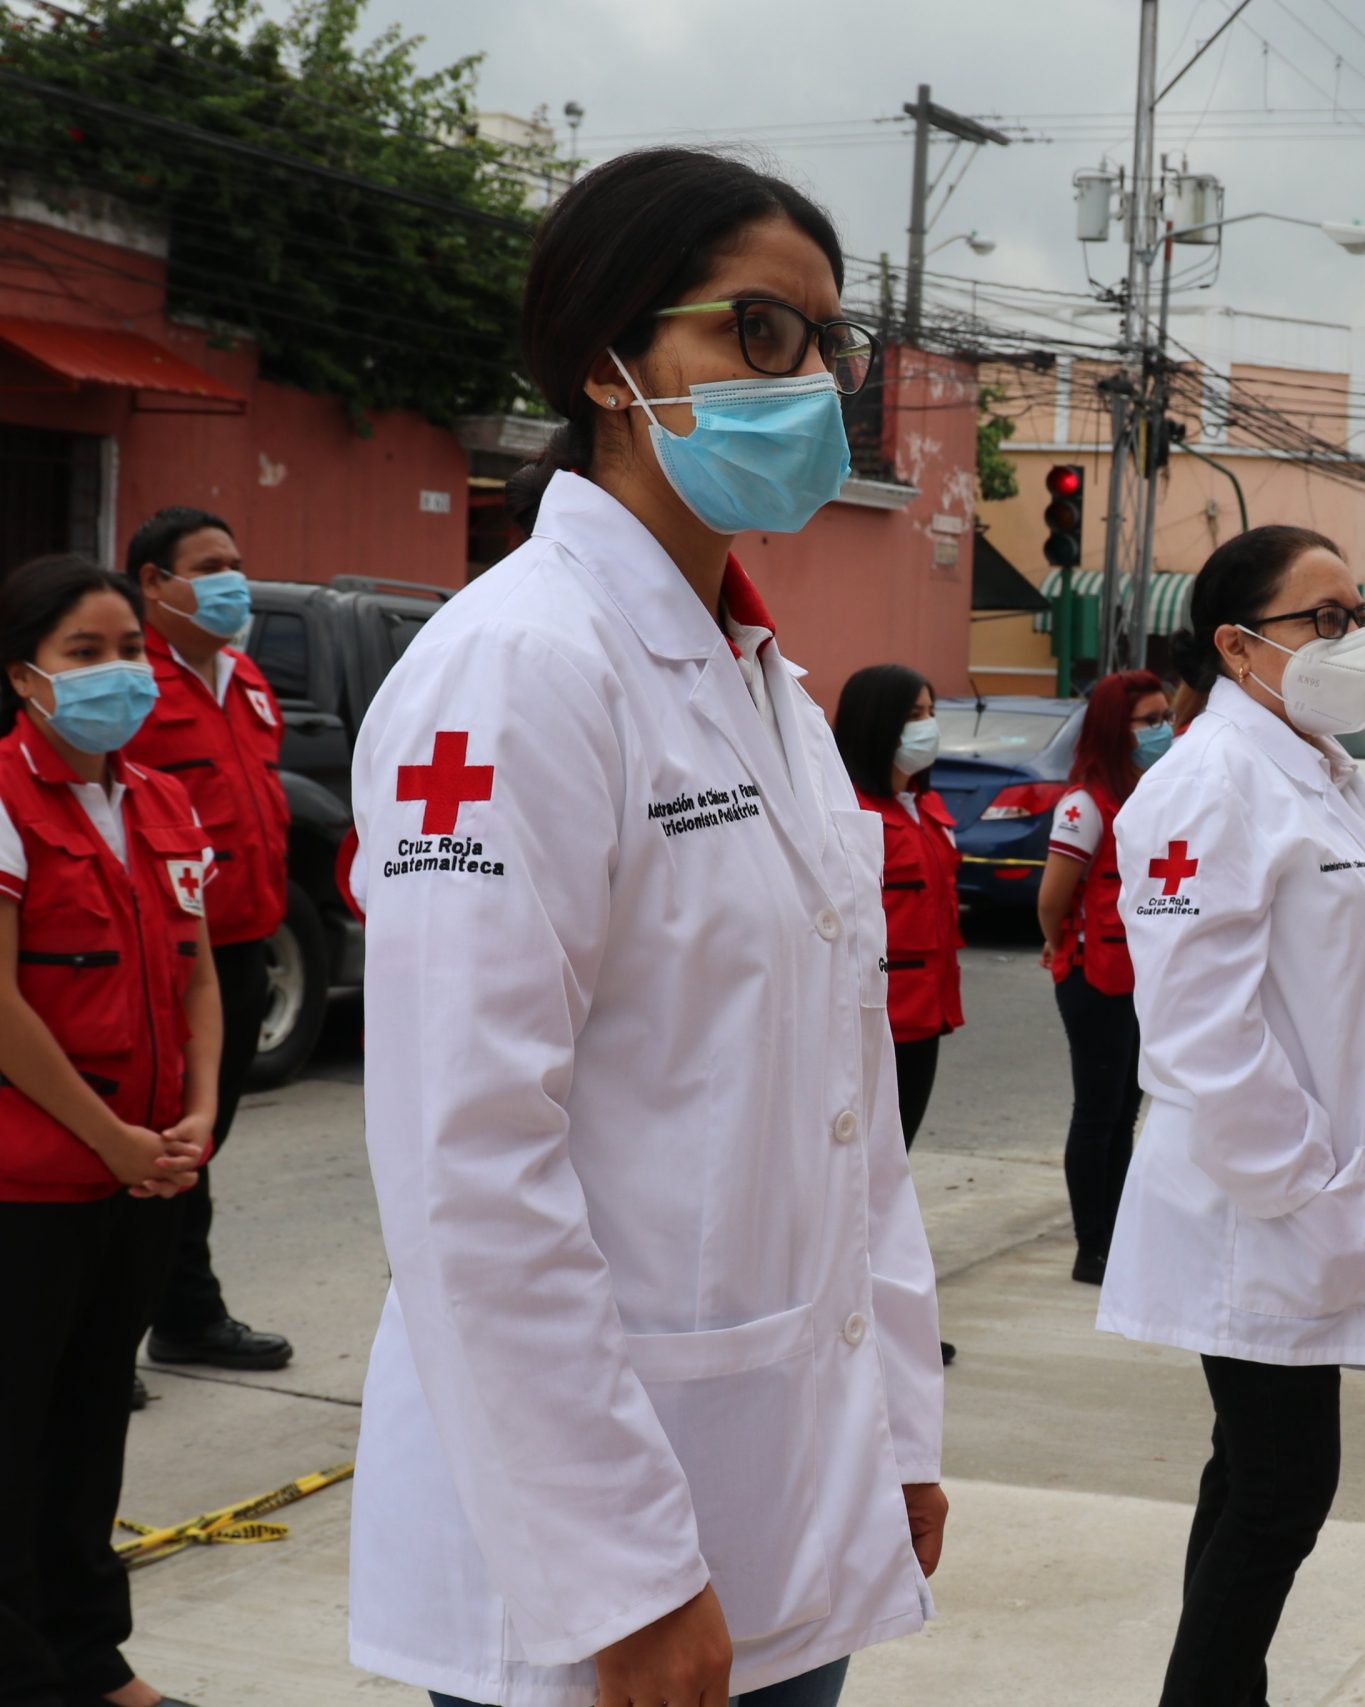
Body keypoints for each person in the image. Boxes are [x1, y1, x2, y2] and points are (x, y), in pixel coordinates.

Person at [343, 148, 944, 1707]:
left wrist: (900, 1428)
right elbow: (467, 1154)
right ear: (611, 358)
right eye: (758, 330)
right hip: (594, 1548)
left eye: (823, 343)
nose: (808, 380)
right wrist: (619, 1562)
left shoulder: (772, 695)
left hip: (791, 1480)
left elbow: (847, 1105)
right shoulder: (516, 670)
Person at [1096, 525, 1365, 1707]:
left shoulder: (1328, 769)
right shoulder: (1204, 784)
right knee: (1285, 1487)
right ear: (1239, 647)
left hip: (1325, 1190)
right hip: (1262, 1199)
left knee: (1250, 1477)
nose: (1354, 639)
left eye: (1358, 615)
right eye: (1323, 618)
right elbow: (1198, 1034)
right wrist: (1308, 1188)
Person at [0, 555, 214, 1707]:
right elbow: (3, 1012)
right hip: (30, 1186)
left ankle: (92, 1656)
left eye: (129, 648)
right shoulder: (2, 799)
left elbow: (199, 978)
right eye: (86, 653)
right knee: (15, 1436)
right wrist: (111, 1140)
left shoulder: (161, 798)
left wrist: (190, 1119)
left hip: (142, 1179)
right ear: (25, 677)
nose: (118, 672)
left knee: (91, 1429)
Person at [120, 505, 295, 1378]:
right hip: (166, 958)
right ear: (154, 582)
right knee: (155, 1147)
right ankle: (108, 1338)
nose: (234, 579)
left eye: (237, 559)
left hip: (245, 946)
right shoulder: (125, 681)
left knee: (201, 1140)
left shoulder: (246, 678)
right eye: (211, 564)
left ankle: (182, 1313)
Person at [1037, 668, 1171, 1286]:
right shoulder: (1084, 803)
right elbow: (1052, 898)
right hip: (1094, 979)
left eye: (1167, 718)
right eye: (1150, 721)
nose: (1163, 730)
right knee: (1097, 1112)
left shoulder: (1155, 792)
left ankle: (1118, 1236)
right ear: (1119, 729)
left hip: (1145, 983)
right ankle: (1093, 1246)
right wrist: (1058, 942)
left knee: (1124, 1112)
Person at [835, 665, 963, 1149]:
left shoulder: (922, 806)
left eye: (931, 712)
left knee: (897, 1156)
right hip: (874, 1019)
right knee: (866, 1159)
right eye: (914, 714)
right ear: (878, 722)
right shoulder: (849, 811)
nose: (927, 725)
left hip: (926, 1014)